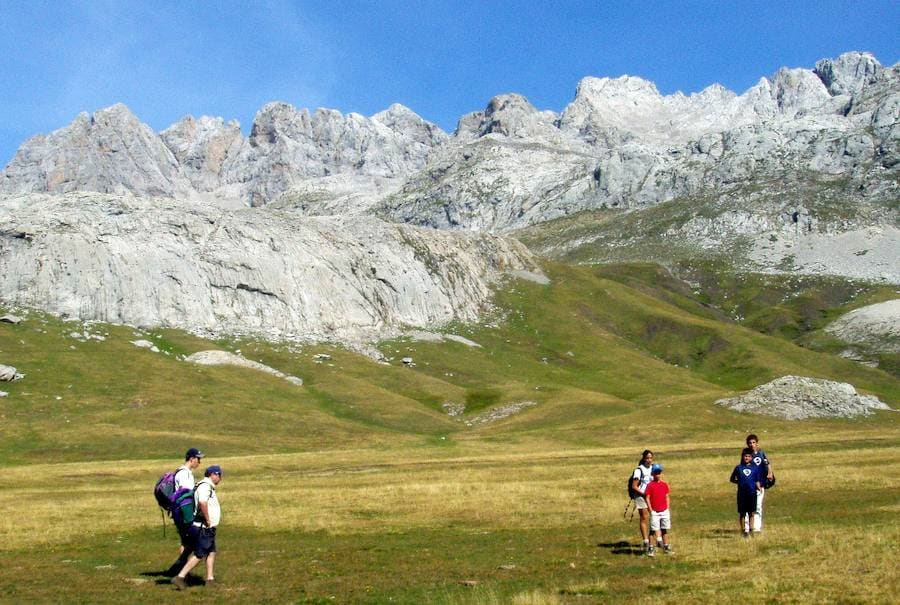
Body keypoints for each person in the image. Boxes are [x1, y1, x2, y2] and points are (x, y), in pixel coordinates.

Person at [173, 465, 223, 590]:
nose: (220, 478)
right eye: (219, 475)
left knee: (211, 551)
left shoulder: (205, 486)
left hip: (206, 527)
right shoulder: (205, 487)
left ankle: (210, 579)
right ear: (213, 475)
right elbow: (202, 502)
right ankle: (180, 577)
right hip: (204, 527)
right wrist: (207, 519)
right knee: (199, 554)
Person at [165, 447, 204, 577]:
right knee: (189, 542)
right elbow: (185, 494)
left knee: (186, 542)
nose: (199, 462)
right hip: (184, 513)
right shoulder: (185, 474)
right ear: (192, 459)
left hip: (179, 512)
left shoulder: (182, 472)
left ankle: (179, 569)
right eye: (198, 459)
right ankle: (182, 571)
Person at [744, 434, 774, 532]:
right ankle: (747, 527)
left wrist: (770, 473)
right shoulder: (746, 455)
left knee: (758, 506)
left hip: (760, 483)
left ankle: (757, 527)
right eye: (750, 443)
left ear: (757, 443)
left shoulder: (761, 454)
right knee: (748, 506)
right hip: (749, 484)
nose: (752, 445)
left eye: (753, 442)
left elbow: (767, 464)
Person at [730, 448, 762, 538]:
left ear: (751, 457)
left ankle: (751, 530)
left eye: (748, 456)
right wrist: (739, 482)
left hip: (752, 493)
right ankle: (744, 531)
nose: (747, 458)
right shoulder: (738, 468)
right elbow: (732, 479)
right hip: (742, 493)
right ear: (742, 457)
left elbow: (756, 480)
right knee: (742, 513)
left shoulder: (755, 468)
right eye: (745, 456)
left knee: (751, 512)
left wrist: (759, 487)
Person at [644, 463, 671, 556]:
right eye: (656, 473)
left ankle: (666, 546)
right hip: (655, 511)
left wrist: (667, 507)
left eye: (659, 472)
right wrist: (650, 510)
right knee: (653, 530)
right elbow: (647, 498)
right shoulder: (650, 485)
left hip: (664, 510)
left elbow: (667, 496)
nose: (657, 475)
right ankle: (651, 548)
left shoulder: (664, 485)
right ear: (652, 474)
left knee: (664, 529)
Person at [630, 450, 654, 555]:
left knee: (654, 518)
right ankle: (646, 541)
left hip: (651, 496)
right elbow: (634, 486)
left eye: (650, 458)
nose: (649, 460)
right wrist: (644, 494)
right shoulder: (639, 470)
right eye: (647, 458)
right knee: (644, 518)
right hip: (641, 496)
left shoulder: (654, 468)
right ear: (644, 458)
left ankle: (655, 541)